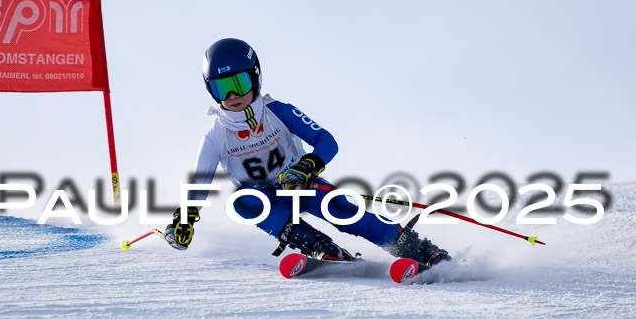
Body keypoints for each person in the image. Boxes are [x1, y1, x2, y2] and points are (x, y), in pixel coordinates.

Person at [164, 38, 450, 267]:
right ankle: (320, 247)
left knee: (341, 209)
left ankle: (416, 248)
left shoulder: (277, 112)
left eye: (239, 84)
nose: (232, 96)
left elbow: (327, 142)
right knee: (242, 202)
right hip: (264, 200)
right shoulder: (216, 136)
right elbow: (199, 185)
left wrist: (306, 166)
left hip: (299, 185)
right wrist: (185, 218)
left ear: (256, 78)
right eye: (221, 88)